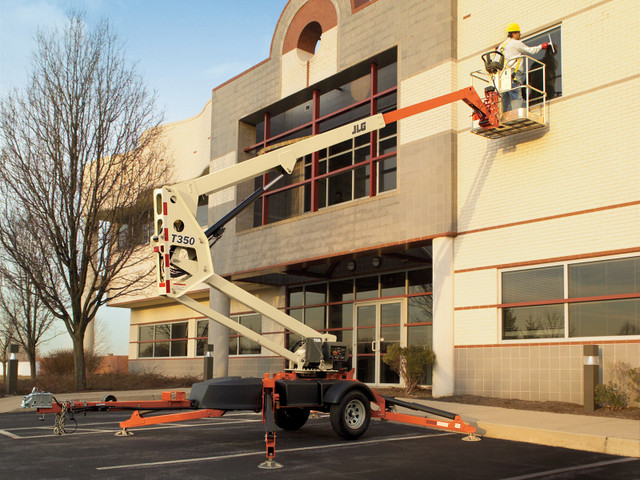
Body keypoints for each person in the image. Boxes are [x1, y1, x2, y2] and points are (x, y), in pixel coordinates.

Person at [498, 23, 550, 112]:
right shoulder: (516, 43)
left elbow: (496, 60)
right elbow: (530, 51)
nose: (520, 35)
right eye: (518, 33)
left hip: (503, 74)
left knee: (505, 96)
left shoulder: (502, 46)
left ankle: (502, 115)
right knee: (516, 94)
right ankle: (517, 113)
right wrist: (541, 46)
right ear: (514, 33)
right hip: (513, 72)